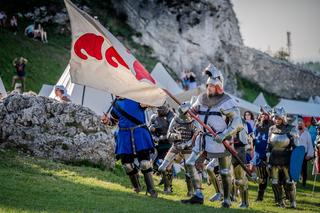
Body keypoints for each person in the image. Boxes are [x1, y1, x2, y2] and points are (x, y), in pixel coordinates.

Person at [181, 63, 243, 208]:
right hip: (203, 138)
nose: (209, 88)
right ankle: (198, 194)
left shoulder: (227, 100)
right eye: (208, 86)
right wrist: (183, 111)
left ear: (219, 86)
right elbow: (191, 115)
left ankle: (227, 200)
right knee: (190, 163)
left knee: (224, 171)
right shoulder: (201, 98)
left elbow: (238, 122)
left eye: (212, 86)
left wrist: (225, 134)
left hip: (219, 140)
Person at [101, 98, 158, 198]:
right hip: (124, 135)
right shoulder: (116, 105)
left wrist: (147, 102)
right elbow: (113, 122)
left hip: (139, 133)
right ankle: (136, 187)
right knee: (127, 165)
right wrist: (107, 121)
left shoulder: (136, 98)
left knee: (144, 163)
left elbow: (151, 103)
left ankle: (151, 189)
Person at [158, 102, 198, 196]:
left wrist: (186, 144)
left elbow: (197, 135)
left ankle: (191, 192)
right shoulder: (175, 119)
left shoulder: (193, 121)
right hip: (175, 146)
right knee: (162, 168)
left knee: (189, 171)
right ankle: (167, 188)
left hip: (188, 148)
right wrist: (176, 136)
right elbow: (169, 134)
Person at [267, 107, 299, 208]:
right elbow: (269, 145)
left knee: (289, 181)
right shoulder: (271, 129)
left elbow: (295, 147)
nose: (277, 120)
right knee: (275, 182)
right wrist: (268, 155)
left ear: (283, 118)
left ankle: (293, 201)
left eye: (279, 118)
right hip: (274, 157)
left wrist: (295, 160)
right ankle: (280, 201)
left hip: (286, 158)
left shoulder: (291, 129)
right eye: (275, 118)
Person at [149, 105, 174, 193]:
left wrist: (163, 137)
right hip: (157, 145)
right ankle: (162, 178)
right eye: (158, 109)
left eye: (161, 109)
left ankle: (168, 187)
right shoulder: (154, 117)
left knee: (167, 166)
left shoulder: (171, 117)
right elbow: (149, 129)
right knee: (154, 163)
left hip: (168, 144)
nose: (159, 111)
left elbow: (173, 131)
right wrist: (152, 132)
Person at [251, 105, 273, 201]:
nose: (264, 116)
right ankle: (260, 197)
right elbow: (254, 138)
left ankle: (281, 198)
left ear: (269, 115)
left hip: (271, 155)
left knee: (276, 179)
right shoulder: (257, 125)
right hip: (259, 154)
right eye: (262, 114)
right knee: (262, 178)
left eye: (266, 115)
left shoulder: (273, 126)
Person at [298, 119, 314, 187]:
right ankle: (293, 182)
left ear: (304, 125)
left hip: (304, 153)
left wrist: (309, 154)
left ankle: (304, 183)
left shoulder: (307, 134)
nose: (300, 125)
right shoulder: (295, 132)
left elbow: (310, 144)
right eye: (299, 124)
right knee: (294, 167)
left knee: (304, 169)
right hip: (296, 153)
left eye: (301, 124)